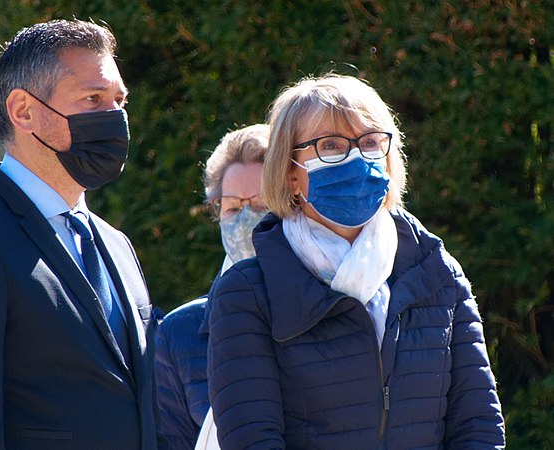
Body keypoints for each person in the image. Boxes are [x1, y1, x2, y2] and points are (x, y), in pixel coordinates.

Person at [207, 74, 506, 449]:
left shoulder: (438, 274)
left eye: (369, 143)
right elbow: (252, 439)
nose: (355, 159)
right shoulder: (247, 294)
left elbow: (478, 426)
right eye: (330, 145)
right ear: (289, 171)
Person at [0, 19, 158, 449]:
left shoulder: (116, 244)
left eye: (119, 100)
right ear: (23, 111)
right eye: (92, 99)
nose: (114, 117)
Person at [154, 124, 270, 449]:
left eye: (261, 205)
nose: (246, 220)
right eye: (233, 208)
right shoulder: (179, 335)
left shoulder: (333, 307)